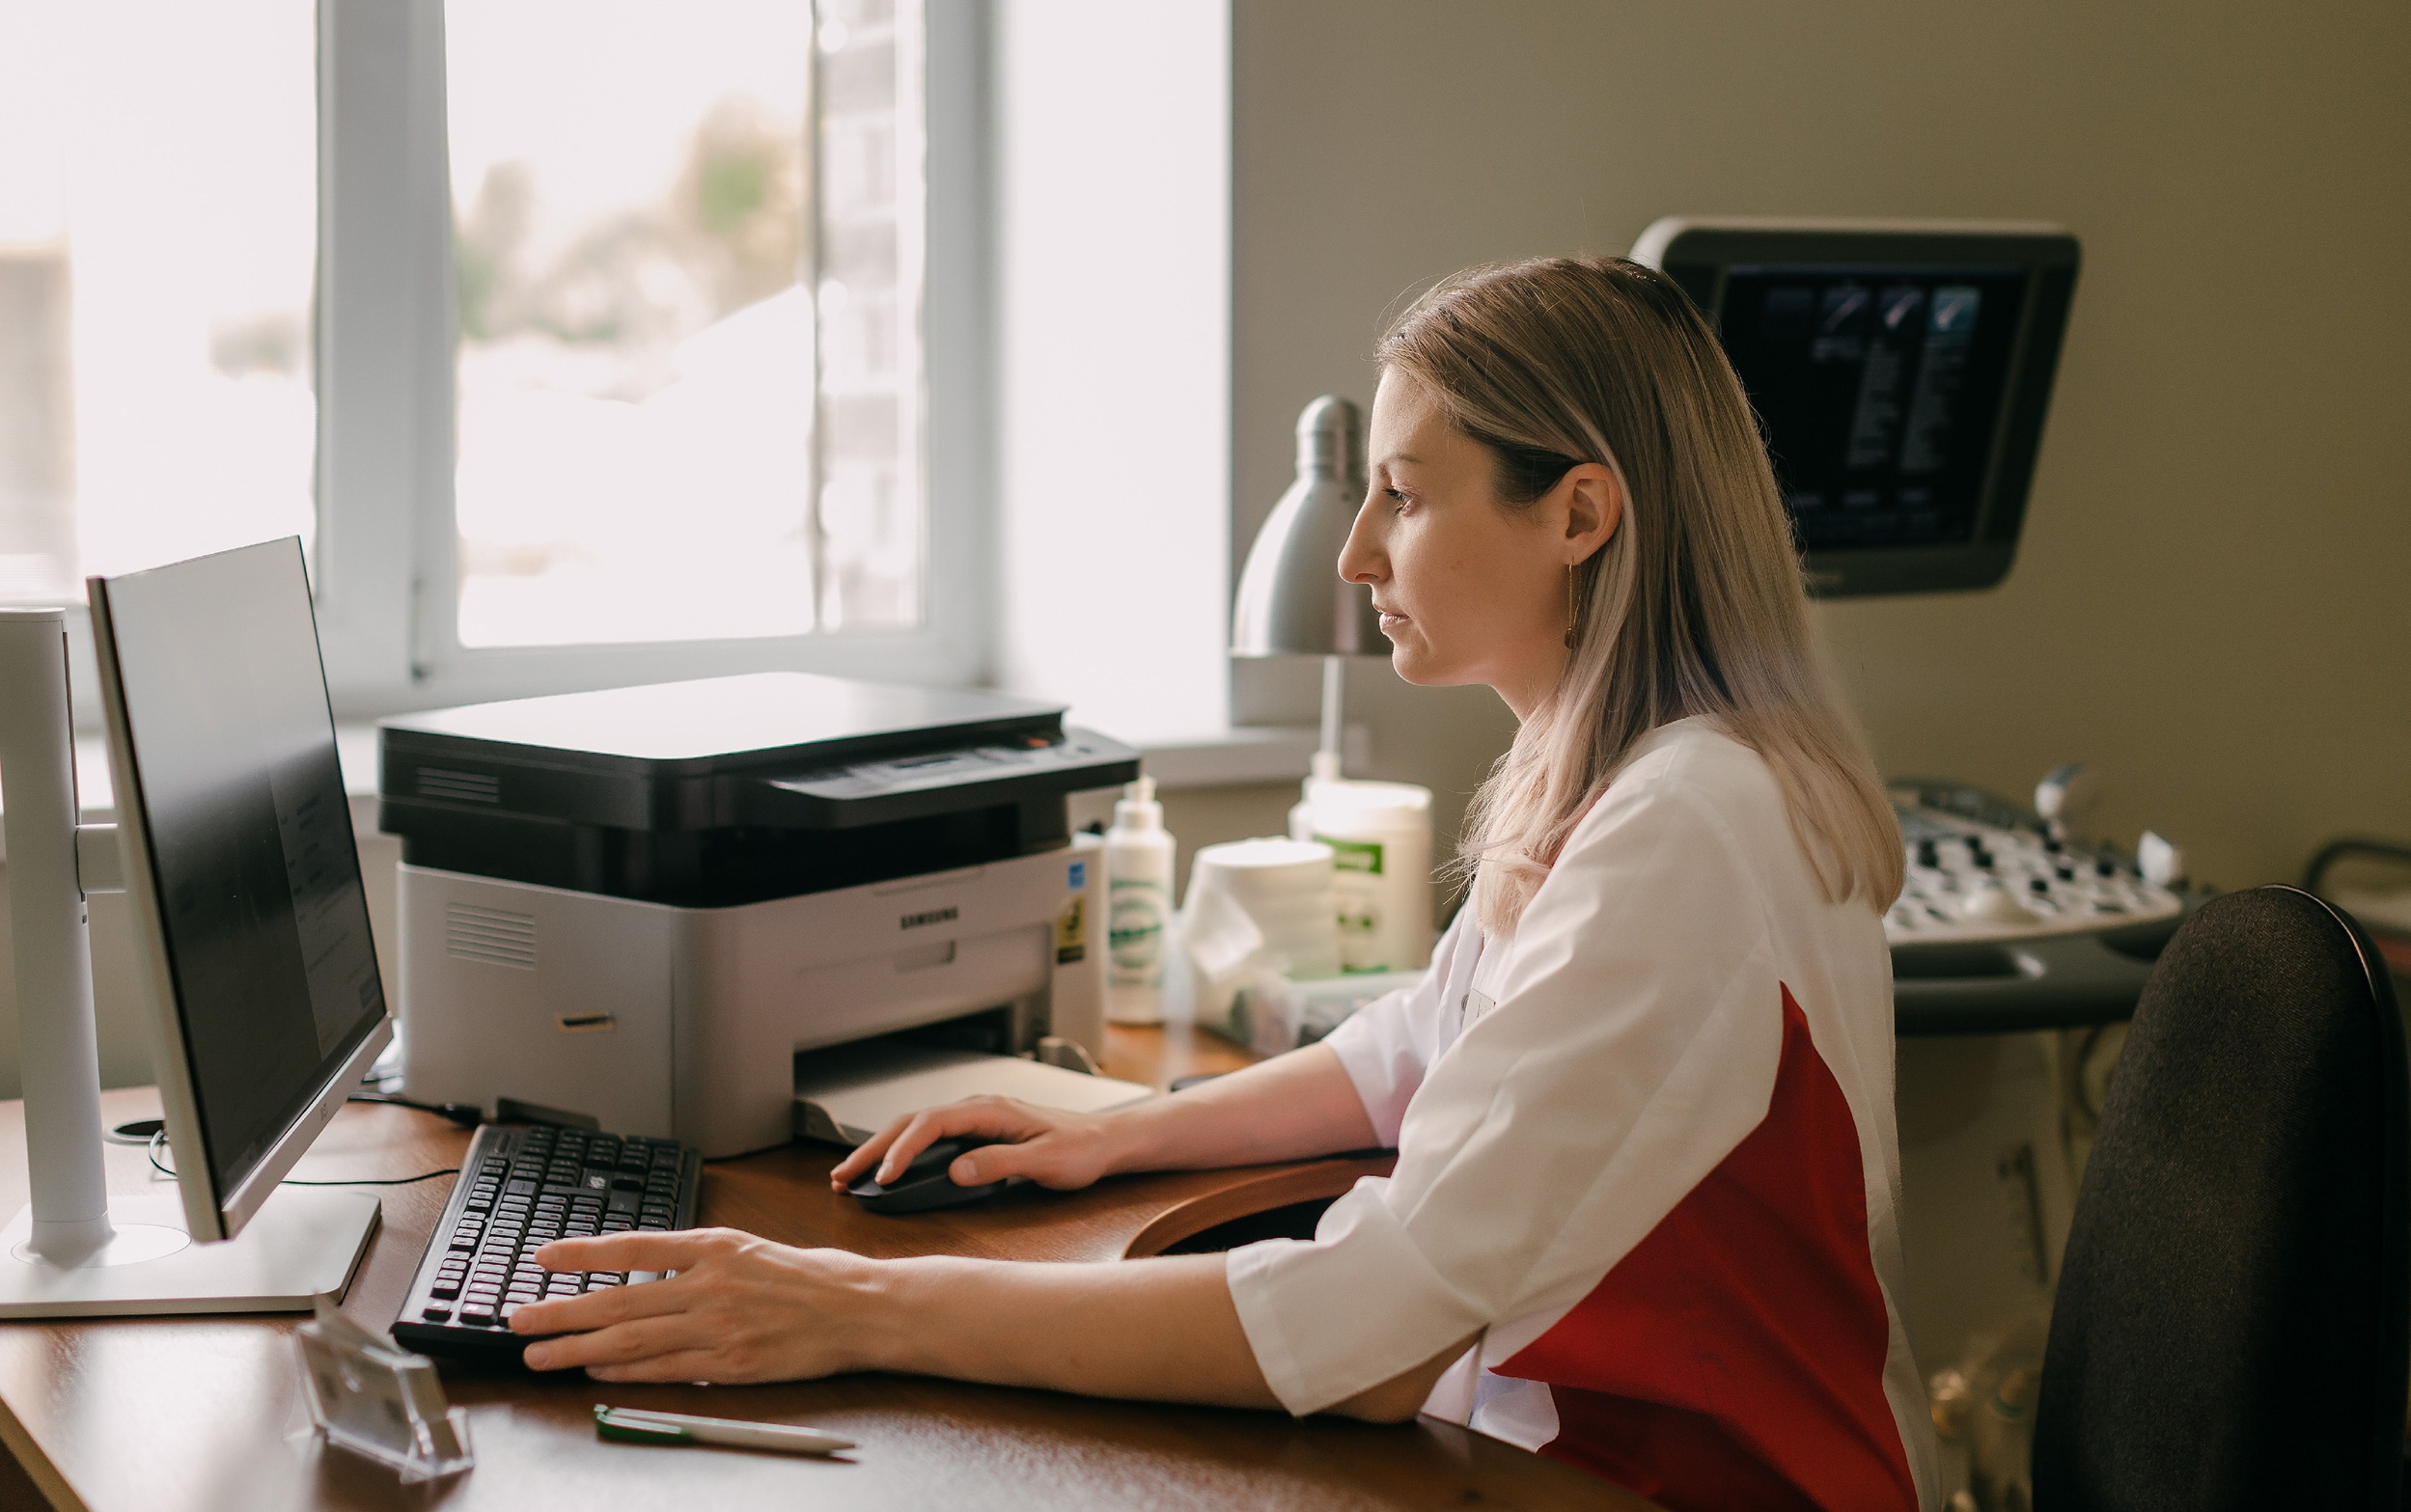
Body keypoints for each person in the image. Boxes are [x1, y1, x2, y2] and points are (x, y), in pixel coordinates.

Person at [510, 256, 1935, 1511]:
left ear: (1578, 515)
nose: (1357, 551)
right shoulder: (1660, 773)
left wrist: (863, 1305)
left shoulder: (1685, 827)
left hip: (1679, 1482)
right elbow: (1416, 1051)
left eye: (1405, 495)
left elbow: (1374, 1326)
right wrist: (1124, 1133)